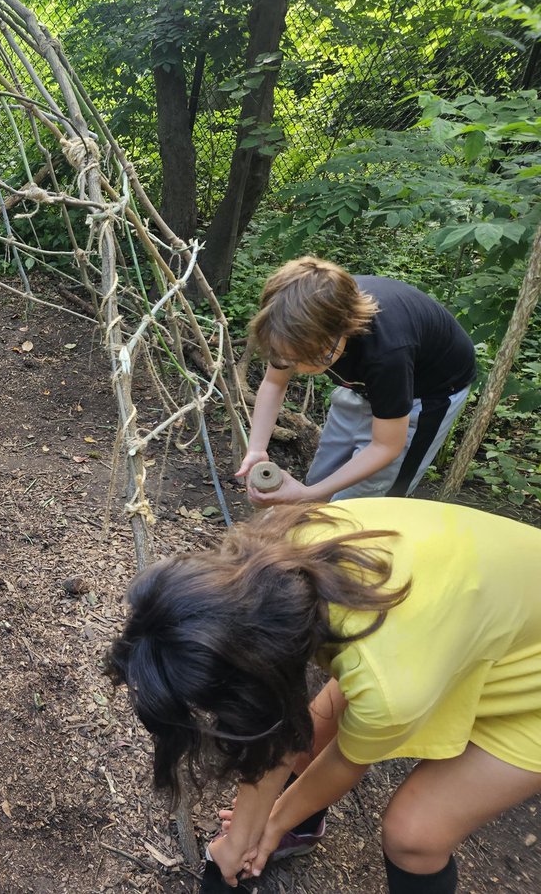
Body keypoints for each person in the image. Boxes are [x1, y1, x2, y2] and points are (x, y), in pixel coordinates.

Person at [105, 498, 541, 893]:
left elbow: (343, 760)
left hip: (524, 684)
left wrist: (271, 824)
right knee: (314, 724)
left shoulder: (389, 683)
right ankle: (301, 826)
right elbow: (275, 725)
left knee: (415, 835)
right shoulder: (280, 552)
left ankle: (295, 826)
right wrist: (243, 836)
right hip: (466, 624)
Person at [236, 257, 475, 504]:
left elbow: (386, 447)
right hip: (364, 386)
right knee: (321, 479)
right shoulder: (291, 323)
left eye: (318, 357)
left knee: (366, 498)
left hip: (427, 393)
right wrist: (256, 449)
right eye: (291, 360)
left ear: (346, 328)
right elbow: (275, 383)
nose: (304, 369)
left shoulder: (388, 351)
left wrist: (308, 494)